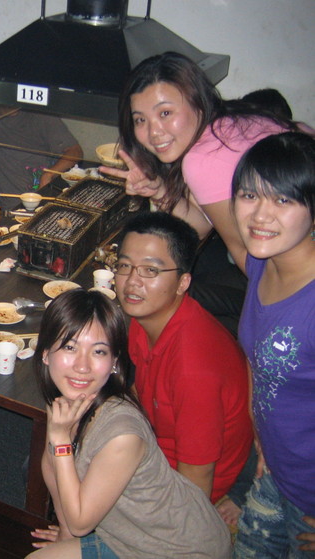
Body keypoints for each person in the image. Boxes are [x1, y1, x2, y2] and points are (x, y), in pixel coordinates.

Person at [28, 288, 231, 558]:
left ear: (114, 361)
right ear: (45, 353)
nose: (82, 366)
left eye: (99, 351)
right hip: (125, 537)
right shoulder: (67, 396)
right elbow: (52, 465)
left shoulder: (122, 434)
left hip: (182, 550)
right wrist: (65, 533)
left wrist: (61, 440)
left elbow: (80, 523)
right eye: (70, 347)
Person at [102, 52, 292, 334]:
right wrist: (159, 190)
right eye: (140, 120)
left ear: (197, 102)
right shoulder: (227, 125)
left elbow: (248, 256)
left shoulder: (204, 157)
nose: (153, 132)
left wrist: (270, 330)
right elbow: (200, 225)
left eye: (165, 113)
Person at [113, 212, 252, 517]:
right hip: (154, 449)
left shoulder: (194, 369)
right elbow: (142, 389)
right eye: (124, 266)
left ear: (182, 282)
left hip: (180, 486)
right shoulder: (147, 319)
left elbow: (196, 483)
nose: (132, 282)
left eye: (151, 270)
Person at [230, 132, 315, 558]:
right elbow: (257, 354)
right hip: (276, 469)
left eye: (283, 199)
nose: (260, 215)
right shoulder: (262, 262)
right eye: (249, 195)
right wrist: (260, 433)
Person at [0, 107, 83, 210]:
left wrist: (49, 174)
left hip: (48, 200)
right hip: (14, 206)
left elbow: (75, 152)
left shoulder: (39, 113)